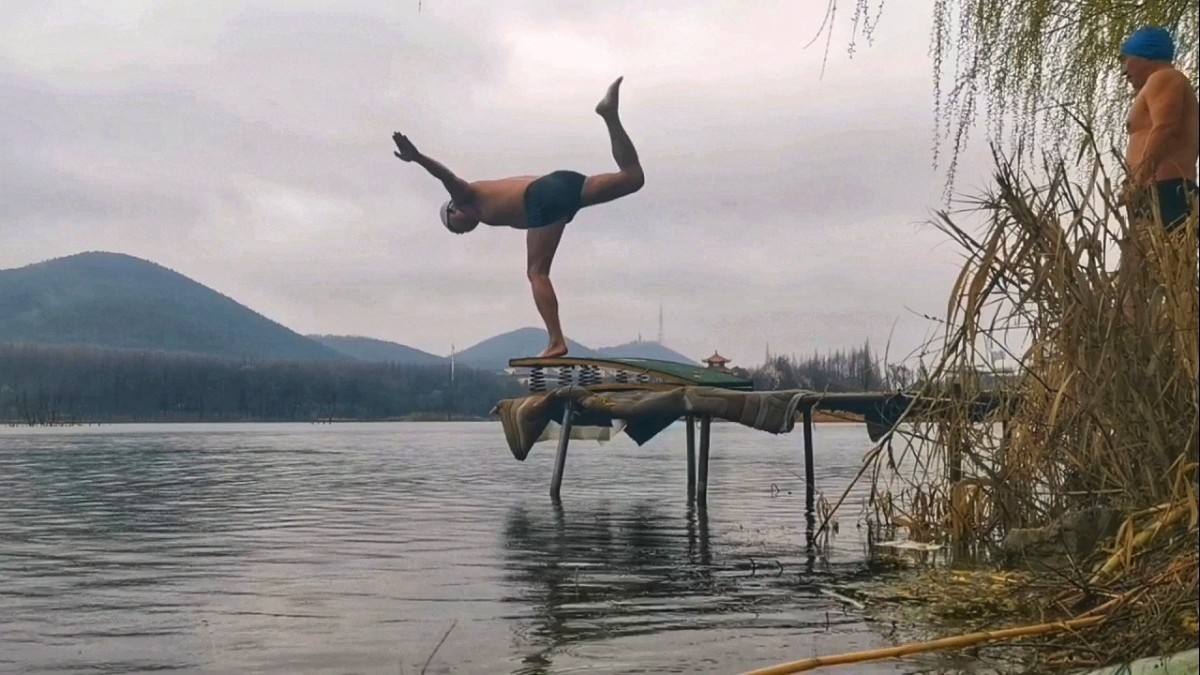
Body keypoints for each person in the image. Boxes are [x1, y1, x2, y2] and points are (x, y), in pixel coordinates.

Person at [392, 77, 645, 358]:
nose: (462, 232)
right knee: (632, 177)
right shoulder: (488, 197)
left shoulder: (466, 198)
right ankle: (609, 115)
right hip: (562, 184)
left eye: (456, 228)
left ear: (453, 210)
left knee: (536, 272)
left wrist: (418, 157)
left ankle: (556, 341)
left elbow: (446, 176)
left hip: (541, 197)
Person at [1119, 27, 1199, 231]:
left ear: (1143, 56)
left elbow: (1164, 126)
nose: (1124, 71)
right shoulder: (1162, 82)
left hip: (1166, 189)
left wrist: (1138, 179)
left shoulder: (1164, 77)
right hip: (1158, 189)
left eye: (1126, 60)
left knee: (1162, 249)